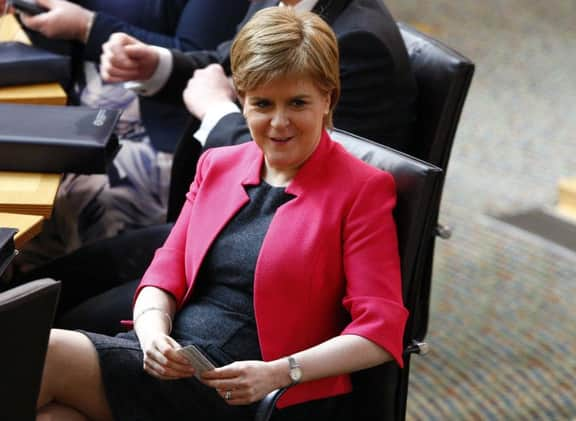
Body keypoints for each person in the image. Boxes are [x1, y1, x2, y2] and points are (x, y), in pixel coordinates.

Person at [36, 8, 407, 420]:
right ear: (242, 102)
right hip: (180, 364)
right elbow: (165, 271)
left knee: (42, 353)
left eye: (297, 102)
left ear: (328, 99)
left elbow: (380, 329)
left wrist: (279, 373)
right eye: (263, 104)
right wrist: (152, 332)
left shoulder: (362, 189)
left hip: (256, 391)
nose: (279, 122)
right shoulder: (219, 163)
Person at [100, 0, 417, 219]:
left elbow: (306, 179)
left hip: (276, 256)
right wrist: (157, 66)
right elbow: (228, 64)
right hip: (222, 214)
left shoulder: (359, 44)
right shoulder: (283, 2)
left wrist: (217, 114)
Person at [11, 0, 248, 272]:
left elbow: (212, 64)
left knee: (76, 196)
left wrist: (87, 27)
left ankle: (51, 297)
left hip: (163, 133)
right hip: (78, 110)